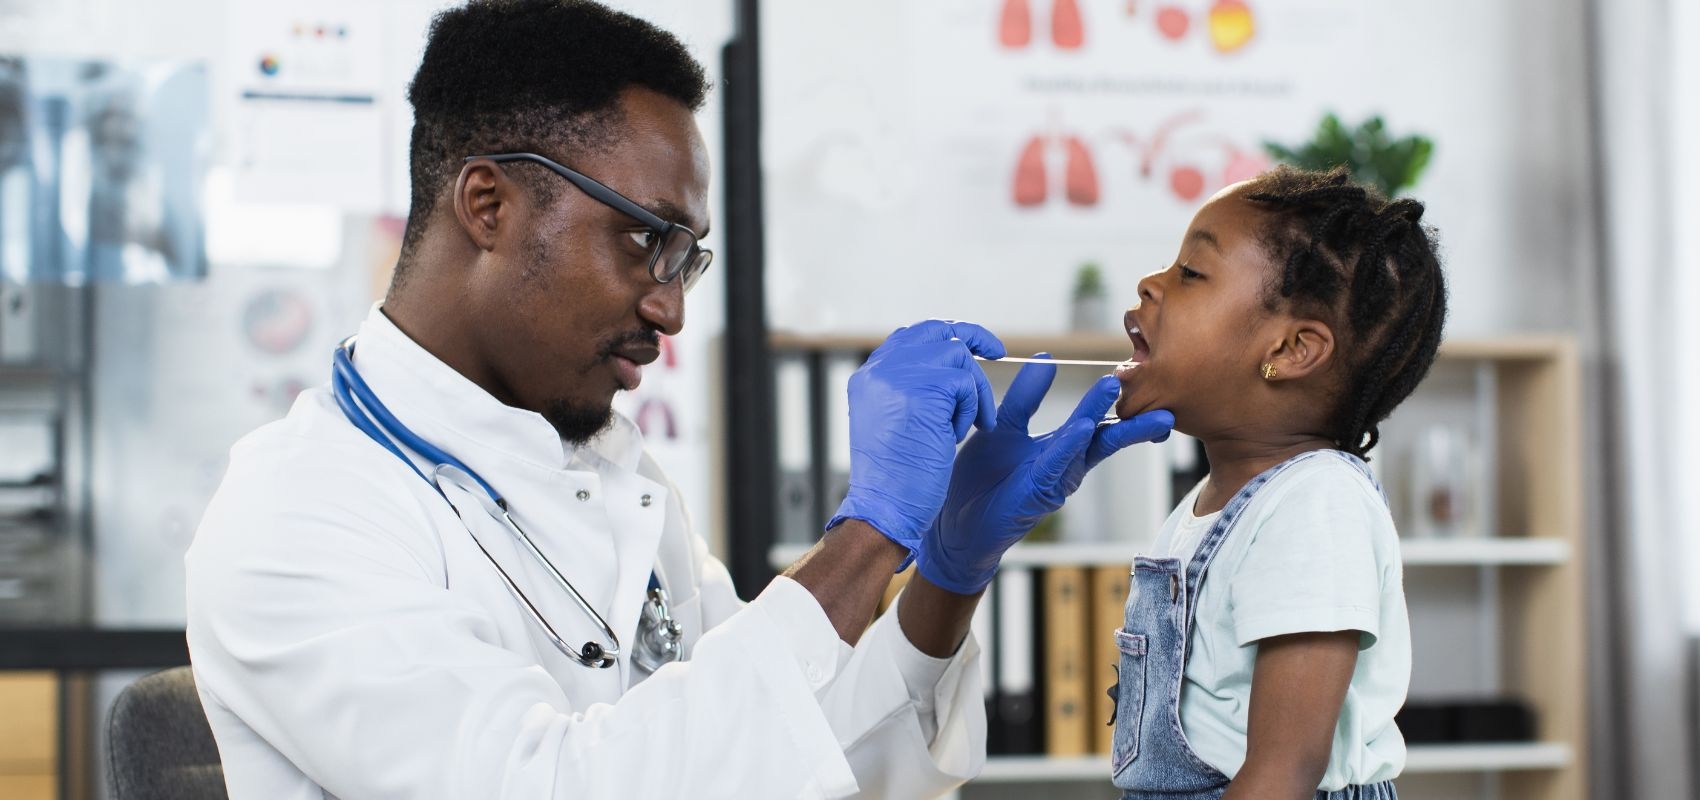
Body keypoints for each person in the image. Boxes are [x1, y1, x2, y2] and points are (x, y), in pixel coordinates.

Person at [182, 2, 1173, 797]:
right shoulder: (302, 511)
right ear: (487, 205)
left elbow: (806, 762)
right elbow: (552, 783)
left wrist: (947, 567)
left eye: (686, 258)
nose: (669, 307)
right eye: (644, 240)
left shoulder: (608, 471)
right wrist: (865, 537)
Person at [1106, 165, 1448, 800]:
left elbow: (1281, 775)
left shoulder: (1316, 505)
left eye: (1190, 273)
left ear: (1292, 349)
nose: (1150, 285)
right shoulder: (1209, 504)